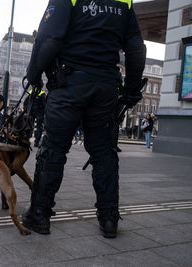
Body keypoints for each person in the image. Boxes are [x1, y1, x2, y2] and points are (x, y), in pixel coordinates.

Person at [22, 0, 146, 238]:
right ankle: (109, 219)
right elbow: (135, 47)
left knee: (53, 149)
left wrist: (33, 74)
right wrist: (131, 90)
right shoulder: (125, 2)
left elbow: (49, 39)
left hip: (69, 84)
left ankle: (39, 214)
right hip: (106, 87)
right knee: (104, 152)